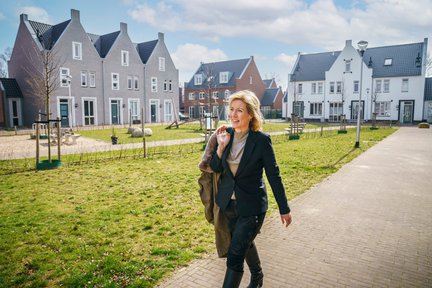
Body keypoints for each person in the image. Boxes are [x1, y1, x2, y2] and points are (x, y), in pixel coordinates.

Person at [210, 90, 292, 288]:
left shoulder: (261, 140)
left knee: (235, 255)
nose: (234, 115)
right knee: (243, 242)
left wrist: (284, 208)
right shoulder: (226, 135)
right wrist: (220, 148)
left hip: (252, 208)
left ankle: (254, 278)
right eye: (231, 110)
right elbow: (215, 167)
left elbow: (274, 175)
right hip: (228, 205)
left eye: (239, 110)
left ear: (250, 115)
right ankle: (257, 276)